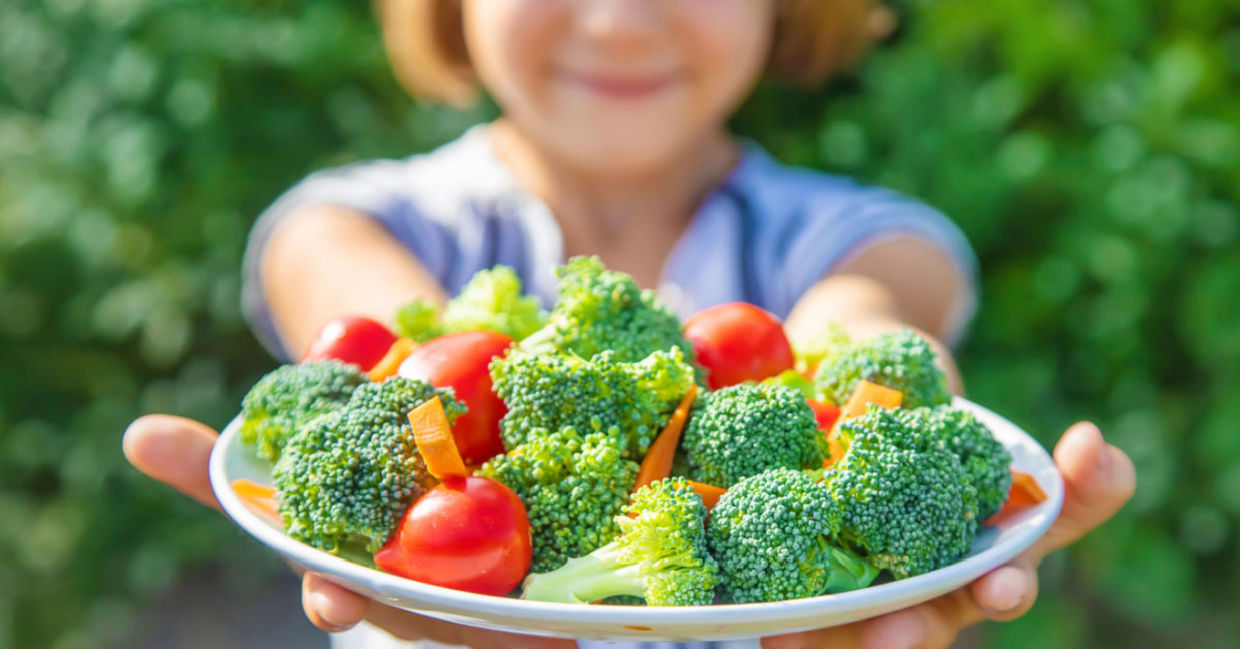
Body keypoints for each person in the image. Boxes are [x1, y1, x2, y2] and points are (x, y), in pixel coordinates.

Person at [122, 1, 1137, 648]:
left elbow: (872, 315)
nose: (616, 18)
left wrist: (883, 444)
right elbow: (370, 335)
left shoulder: (857, 236)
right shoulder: (360, 221)